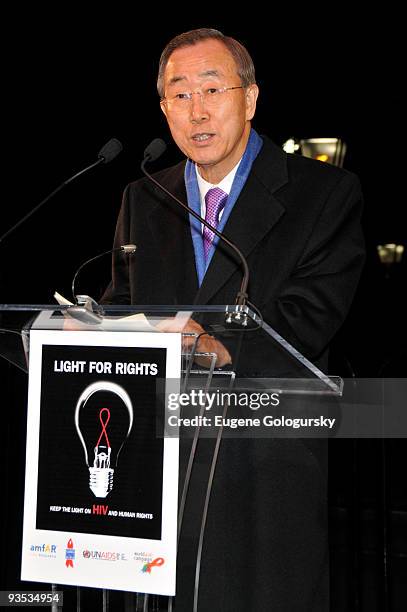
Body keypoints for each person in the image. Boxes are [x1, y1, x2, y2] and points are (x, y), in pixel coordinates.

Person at [102, 28, 365, 611]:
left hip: (262, 462)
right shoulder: (144, 197)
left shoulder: (323, 192)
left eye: (212, 89)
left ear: (249, 99)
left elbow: (311, 314)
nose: (197, 110)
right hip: (155, 464)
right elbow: (124, 303)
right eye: (179, 94)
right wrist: (86, 328)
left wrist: (214, 346)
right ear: (164, 108)